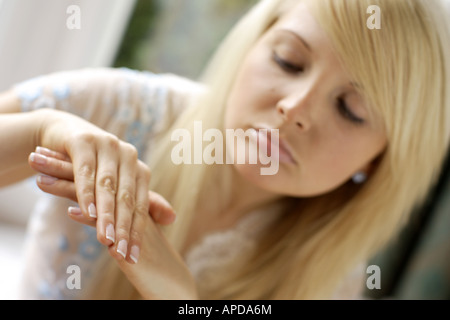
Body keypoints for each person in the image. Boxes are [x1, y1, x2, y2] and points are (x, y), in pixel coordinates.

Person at [0, 0, 449, 299]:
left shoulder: (331, 282)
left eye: (351, 109)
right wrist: (43, 130)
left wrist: (181, 299)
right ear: (252, 45)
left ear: (376, 160)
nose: (295, 108)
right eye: (288, 60)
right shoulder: (122, 106)